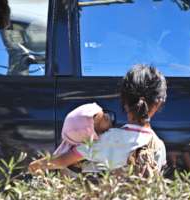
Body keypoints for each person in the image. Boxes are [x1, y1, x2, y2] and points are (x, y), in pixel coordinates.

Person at [29, 64, 167, 177]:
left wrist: (37, 165)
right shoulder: (159, 146)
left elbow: (64, 160)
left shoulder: (108, 138)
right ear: (158, 104)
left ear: (125, 103)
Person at [29, 102, 113, 174]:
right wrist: (38, 164)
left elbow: (62, 161)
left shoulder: (89, 146)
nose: (110, 118)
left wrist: (38, 164)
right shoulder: (91, 147)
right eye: (105, 117)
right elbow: (62, 160)